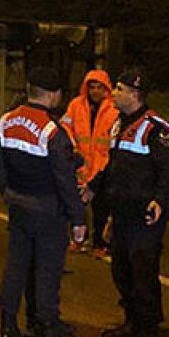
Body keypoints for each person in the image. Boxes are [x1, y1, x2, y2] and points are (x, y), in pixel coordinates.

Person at [0, 67, 86, 337]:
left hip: (18, 206)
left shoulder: (6, 121)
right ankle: (48, 336)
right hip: (48, 212)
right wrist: (79, 218)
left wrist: (8, 195)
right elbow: (64, 179)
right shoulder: (52, 131)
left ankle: (8, 329)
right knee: (47, 273)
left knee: (16, 269)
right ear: (55, 94)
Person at [86, 68, 169, 337]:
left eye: (119, 89)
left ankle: (149, 330)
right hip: (122, 213)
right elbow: (112, 168)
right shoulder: (119, 124)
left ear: (134, 94)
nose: (113, 94)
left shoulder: (155, 128)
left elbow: (167, 173)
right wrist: (95, 190)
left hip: (145, 215)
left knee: (143, 272)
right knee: (121, 271)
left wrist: (159, 200)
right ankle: (131, 322)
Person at [61, 69, 119, 257]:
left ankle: (101, 244)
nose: (95, 91)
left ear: (106, 88)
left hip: (103, 165)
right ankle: (79, 240)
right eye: (92, 87)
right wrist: (73, 147)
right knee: (77, 205)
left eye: (99, 87)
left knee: (101, 206)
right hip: (82, 164)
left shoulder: (114, 108)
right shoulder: (76, 105)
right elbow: (65, 126)